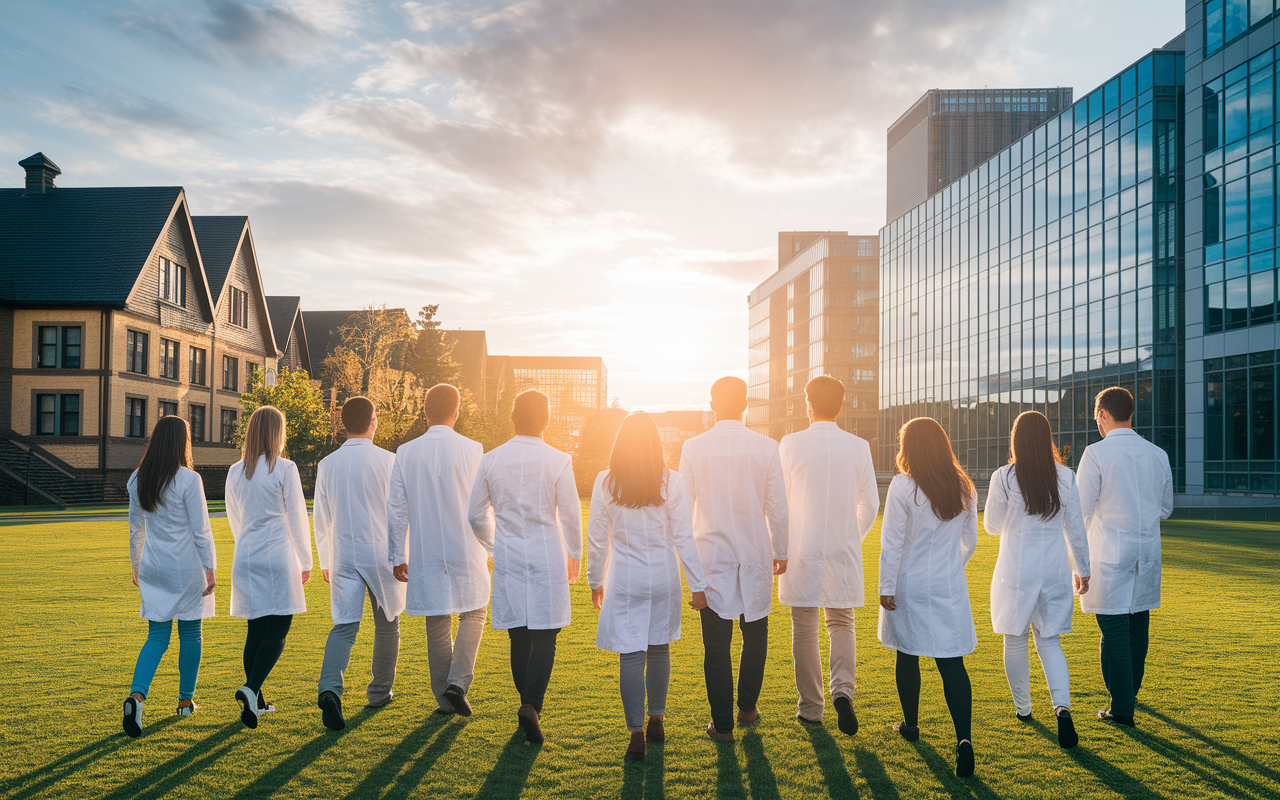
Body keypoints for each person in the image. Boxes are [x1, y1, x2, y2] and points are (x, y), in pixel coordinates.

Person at [587, 412, 709, 761]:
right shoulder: (671, 480)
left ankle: (636, 732)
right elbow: (683, 537)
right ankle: (657, 718)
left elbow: (597, 539)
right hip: (662, 577)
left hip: (624, 579)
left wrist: (596, 580)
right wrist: (697, 584)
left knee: (631, 653)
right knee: (658, 649)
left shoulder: (606, 482)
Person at [468, 390, 582, 744]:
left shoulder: (491, 459)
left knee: (519, 632)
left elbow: (474, 514)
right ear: (546, 420)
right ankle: (531, 705)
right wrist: (574, 552)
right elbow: (570, 514)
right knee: (546, 633)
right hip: (548, 553)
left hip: (509, 553)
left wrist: (494, 542)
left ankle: (526, 706)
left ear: (513, 418)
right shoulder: (559, 459)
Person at [679, 376, 788, 742]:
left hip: (710, 555)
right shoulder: (766, 447)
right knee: (755, 633)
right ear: (745, 405)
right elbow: (777, 508)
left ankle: (722, 726)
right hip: (756, 550)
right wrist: (783, 551)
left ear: (712, 405)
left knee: (716, 644)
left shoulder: (693, 448)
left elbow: (683, 508)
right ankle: (746, 709)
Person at [983, 411, 1091, 748]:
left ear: (1015, 440)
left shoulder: (1004, 477)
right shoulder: (1065, 476)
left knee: (1014, 640)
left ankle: (1024, 709)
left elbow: (991, 525)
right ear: (1048, 438)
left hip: (1016, 569)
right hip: (1054, 569)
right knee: (1049, 640)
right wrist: (1083, 569)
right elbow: (1075, 528)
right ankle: (1062, 709)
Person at [778, 376, 879, 735]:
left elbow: (780, 501)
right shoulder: (858, 446)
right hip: (842, 547)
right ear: (841, 404)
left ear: (807, 403)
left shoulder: (790, 444)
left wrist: (780, 544)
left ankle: (811, 707)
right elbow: (870, 502)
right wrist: (851, 533)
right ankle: (843, 693)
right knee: (842, 622)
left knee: (804, 627)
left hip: (800, 548)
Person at [878, 417, 978, 778]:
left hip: (909, 583)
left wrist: (886, 585)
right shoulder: (964, 487)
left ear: (910, 448)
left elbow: (892, 540)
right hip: (948, 584)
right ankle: (963, 740)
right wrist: (953, 566)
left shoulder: (904, 486)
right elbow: (971, 540)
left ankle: (911, 724)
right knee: (951, 662)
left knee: (908, 652)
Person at [388, 384, 488, 718]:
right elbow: (483, 507)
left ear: (425, 411)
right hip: (467, 544)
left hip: (426, 546)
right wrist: (492, 544)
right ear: (456, 410)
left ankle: (445, 700)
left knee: (437, 619)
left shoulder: (406, 452)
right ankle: (457, 683)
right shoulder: (474, 449)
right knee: (475, 610)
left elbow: (397, 509)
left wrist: (396, 554)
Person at [1075, 386, 1173, 728]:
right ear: (1131, 413)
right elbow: (1166, 508)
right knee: (1137, 625)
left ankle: (1121, 708)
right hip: (1146, 551)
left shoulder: (1096, 453)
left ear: (1102, 415)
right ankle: (1127, 696)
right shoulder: (1158, 454)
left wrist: (1077, 564)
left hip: (1109, 554)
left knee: (1113, 629)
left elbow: (1081, 512)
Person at [313, 396, 404, 731]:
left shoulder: (327, 464)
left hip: (342, 553)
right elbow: (399, 514)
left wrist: (326, 560)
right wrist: (402, 555)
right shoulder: (390, 461)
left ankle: (330, 689)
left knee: (345, 626)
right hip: (381, 553)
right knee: (389, 622)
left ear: (343, 423)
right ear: (373, 421)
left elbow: (321, 519)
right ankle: (379, 692)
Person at [123, 415, 217, 737]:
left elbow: (136, 528)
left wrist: (137, 566)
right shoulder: (189, 480)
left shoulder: (138, 478)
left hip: (153, 566)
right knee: (191, 635)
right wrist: (211, 567)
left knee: (157, 636)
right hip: (186, 567)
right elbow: (201, 530)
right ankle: (185, 701)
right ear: (183, 442)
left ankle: (137, 697)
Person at [226, 405, 313, 729]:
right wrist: (305, 560)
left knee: (256, 629)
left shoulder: (236, 471)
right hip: (277, 556)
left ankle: (256, 701)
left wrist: (245, 544)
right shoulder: (284, 468)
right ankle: (250, 690)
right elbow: (296, 517)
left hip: (246, 554)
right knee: (277, 631)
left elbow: (235, 519)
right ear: (278, 433)